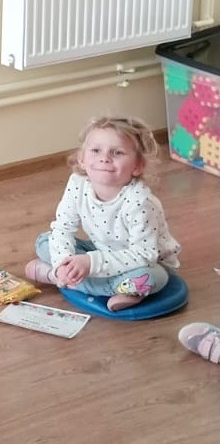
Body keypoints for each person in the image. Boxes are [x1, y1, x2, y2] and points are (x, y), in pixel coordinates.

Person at [24, 116, 180, 310]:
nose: (104, 158)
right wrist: (62, 264)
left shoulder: (140, 201)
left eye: (117, 152)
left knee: (150, 278)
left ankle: (55, 278)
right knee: (45, 241)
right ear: (82, 159)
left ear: (138, 166)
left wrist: (90, 263)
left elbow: (144, 254)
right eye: (96, 150)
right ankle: (73, 277)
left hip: (146, 262)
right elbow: (63, 228)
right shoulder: (78, 183)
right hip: (104, 252)